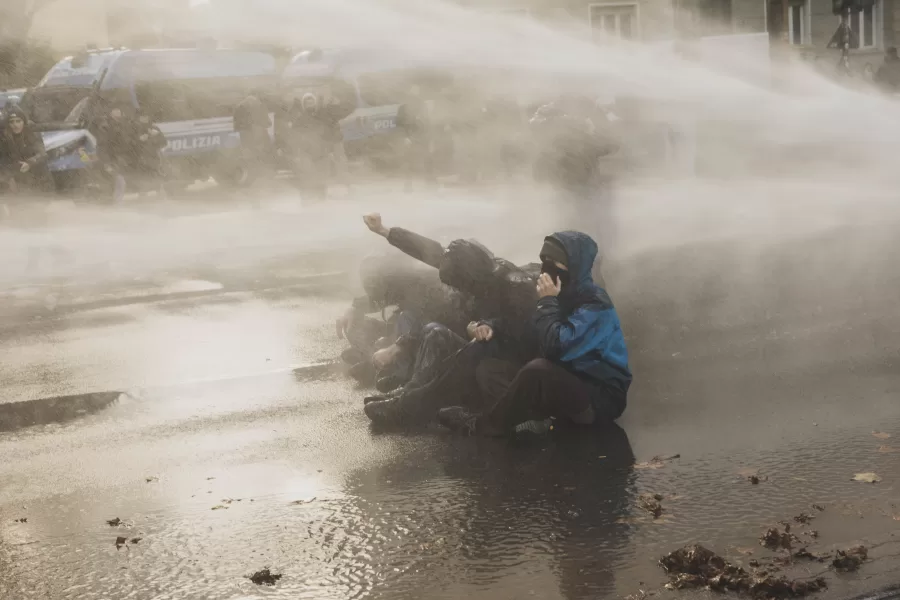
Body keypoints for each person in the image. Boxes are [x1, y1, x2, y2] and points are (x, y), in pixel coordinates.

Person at [438, 231, 632, 437]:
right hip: (566, 381)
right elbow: (525, 325)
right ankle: (535, 421)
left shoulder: (595, 304)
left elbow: (557, 349)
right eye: (545, 260)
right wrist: (489, 325)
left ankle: (482, 425)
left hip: (597, 398)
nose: (547, 267)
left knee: (537, 369)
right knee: (490, 370)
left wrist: (547, 302)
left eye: (555, 262)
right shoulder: (563, 293)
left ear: (575, 264)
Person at [361, 213, 542, 426]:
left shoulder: (514, 286)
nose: (455, 289)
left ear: (469, 279)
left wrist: (489, 326)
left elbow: (524, 329)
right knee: (434, 330)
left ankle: (410, 406)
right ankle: (410, 393)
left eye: (459, 284)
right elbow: (432, 251)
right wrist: (385, 231)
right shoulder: (472, 269)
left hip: (510, 357)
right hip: (484, 342)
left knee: (475, 348)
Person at [337, 253, 473, 391]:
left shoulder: (414, 283)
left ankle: (400, 375)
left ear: (383, 277)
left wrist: (394, 347)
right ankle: (372, 359)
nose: (370, 288)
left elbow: (423, 323)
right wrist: (353, 308)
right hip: (417, 332)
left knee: (404, 318)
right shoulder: (392, 283)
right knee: (358, 322)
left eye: (373, 282)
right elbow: (377, 298)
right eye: (367, 284)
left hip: (443, 336)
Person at [0, 106, 52, 196]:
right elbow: (3, 160)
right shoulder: (4, 138)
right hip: (14, 178)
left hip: (37, 177)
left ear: (24, 122)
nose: (15, 125)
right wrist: (9, 177)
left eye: (18, 121)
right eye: (12, 122)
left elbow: (42, 154)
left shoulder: (32, 134)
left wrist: (29, 163)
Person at [96, 105, 135, 203]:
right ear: (111, 113)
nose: (118, 113)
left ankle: (114, 200)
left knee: (119, 181)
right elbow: (102, 145)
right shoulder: (105, 126)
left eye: (119, 111)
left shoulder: (123, 124)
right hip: (111, 158)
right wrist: (106, 162)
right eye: (115, 111)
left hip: (120, 158)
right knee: (118, 180)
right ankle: (115, 201)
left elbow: (127, 141)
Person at [132, 111, 168, 199]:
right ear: (139, 118)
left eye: (146, 117)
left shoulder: (154, 128)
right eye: (142, 117)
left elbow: (164, 142)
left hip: (154, 157)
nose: (144, 119)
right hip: (141, 157)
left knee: (156, 175)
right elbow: (130, 144)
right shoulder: (135, 129)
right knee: (143, 177)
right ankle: (142, 194)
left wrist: (156, 136)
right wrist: (139, 140)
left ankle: (160, 193)